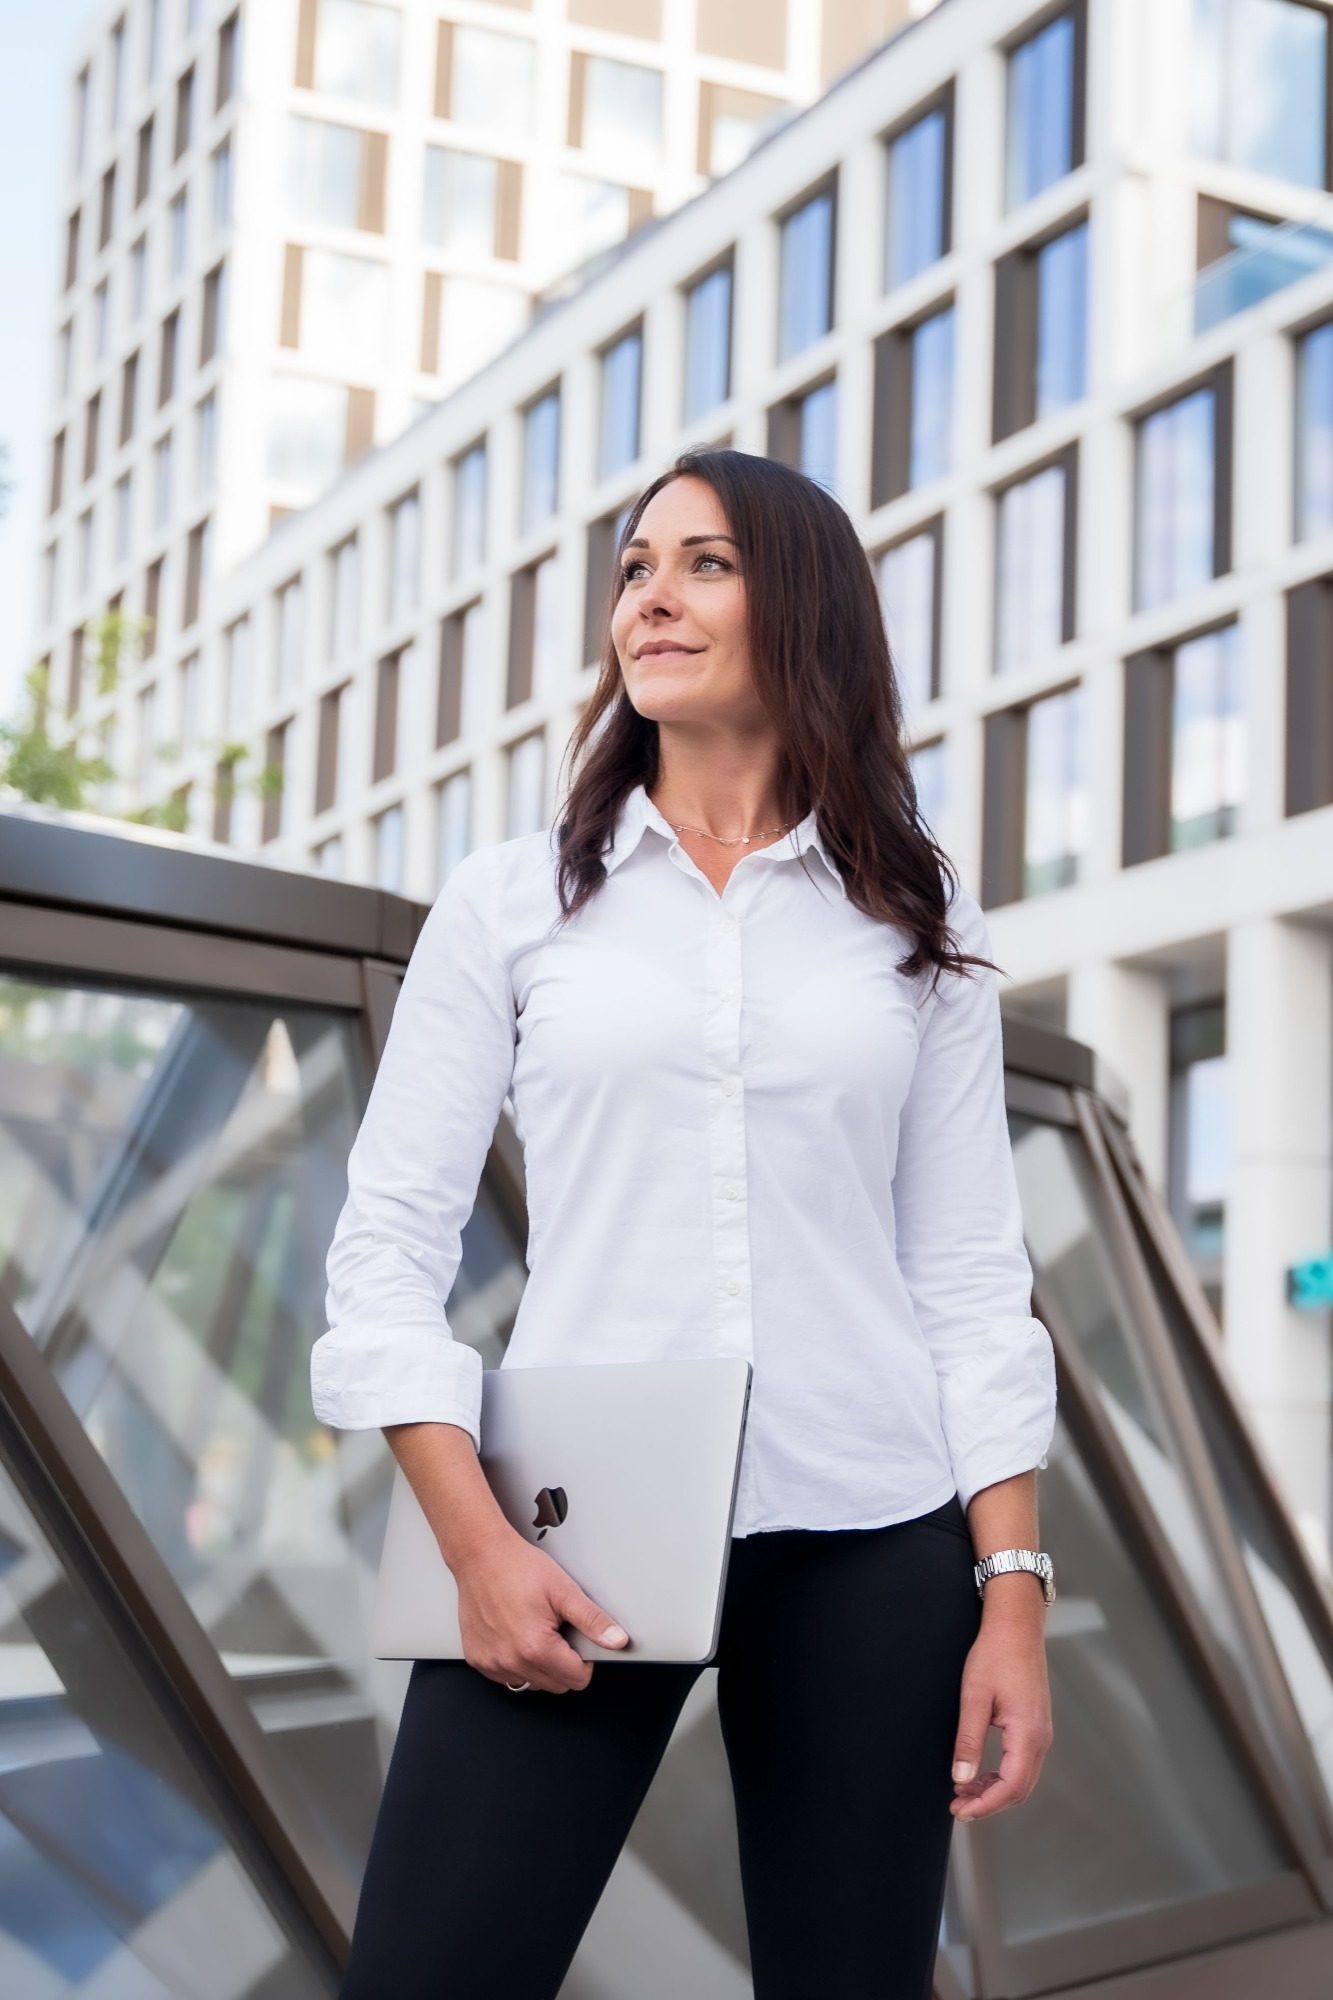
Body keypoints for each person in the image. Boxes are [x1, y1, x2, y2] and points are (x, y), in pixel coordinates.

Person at [311, 446, 1059, 2000]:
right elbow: (385, 1254)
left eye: (703, 564)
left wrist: (1010, 1594)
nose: (650, 597)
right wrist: (475, 1547)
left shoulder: (915, 923)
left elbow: (971, 1275)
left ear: (802, 612)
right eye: (635, 568)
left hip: (869, 1523)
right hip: (567, 1530)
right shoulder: (514, 901)